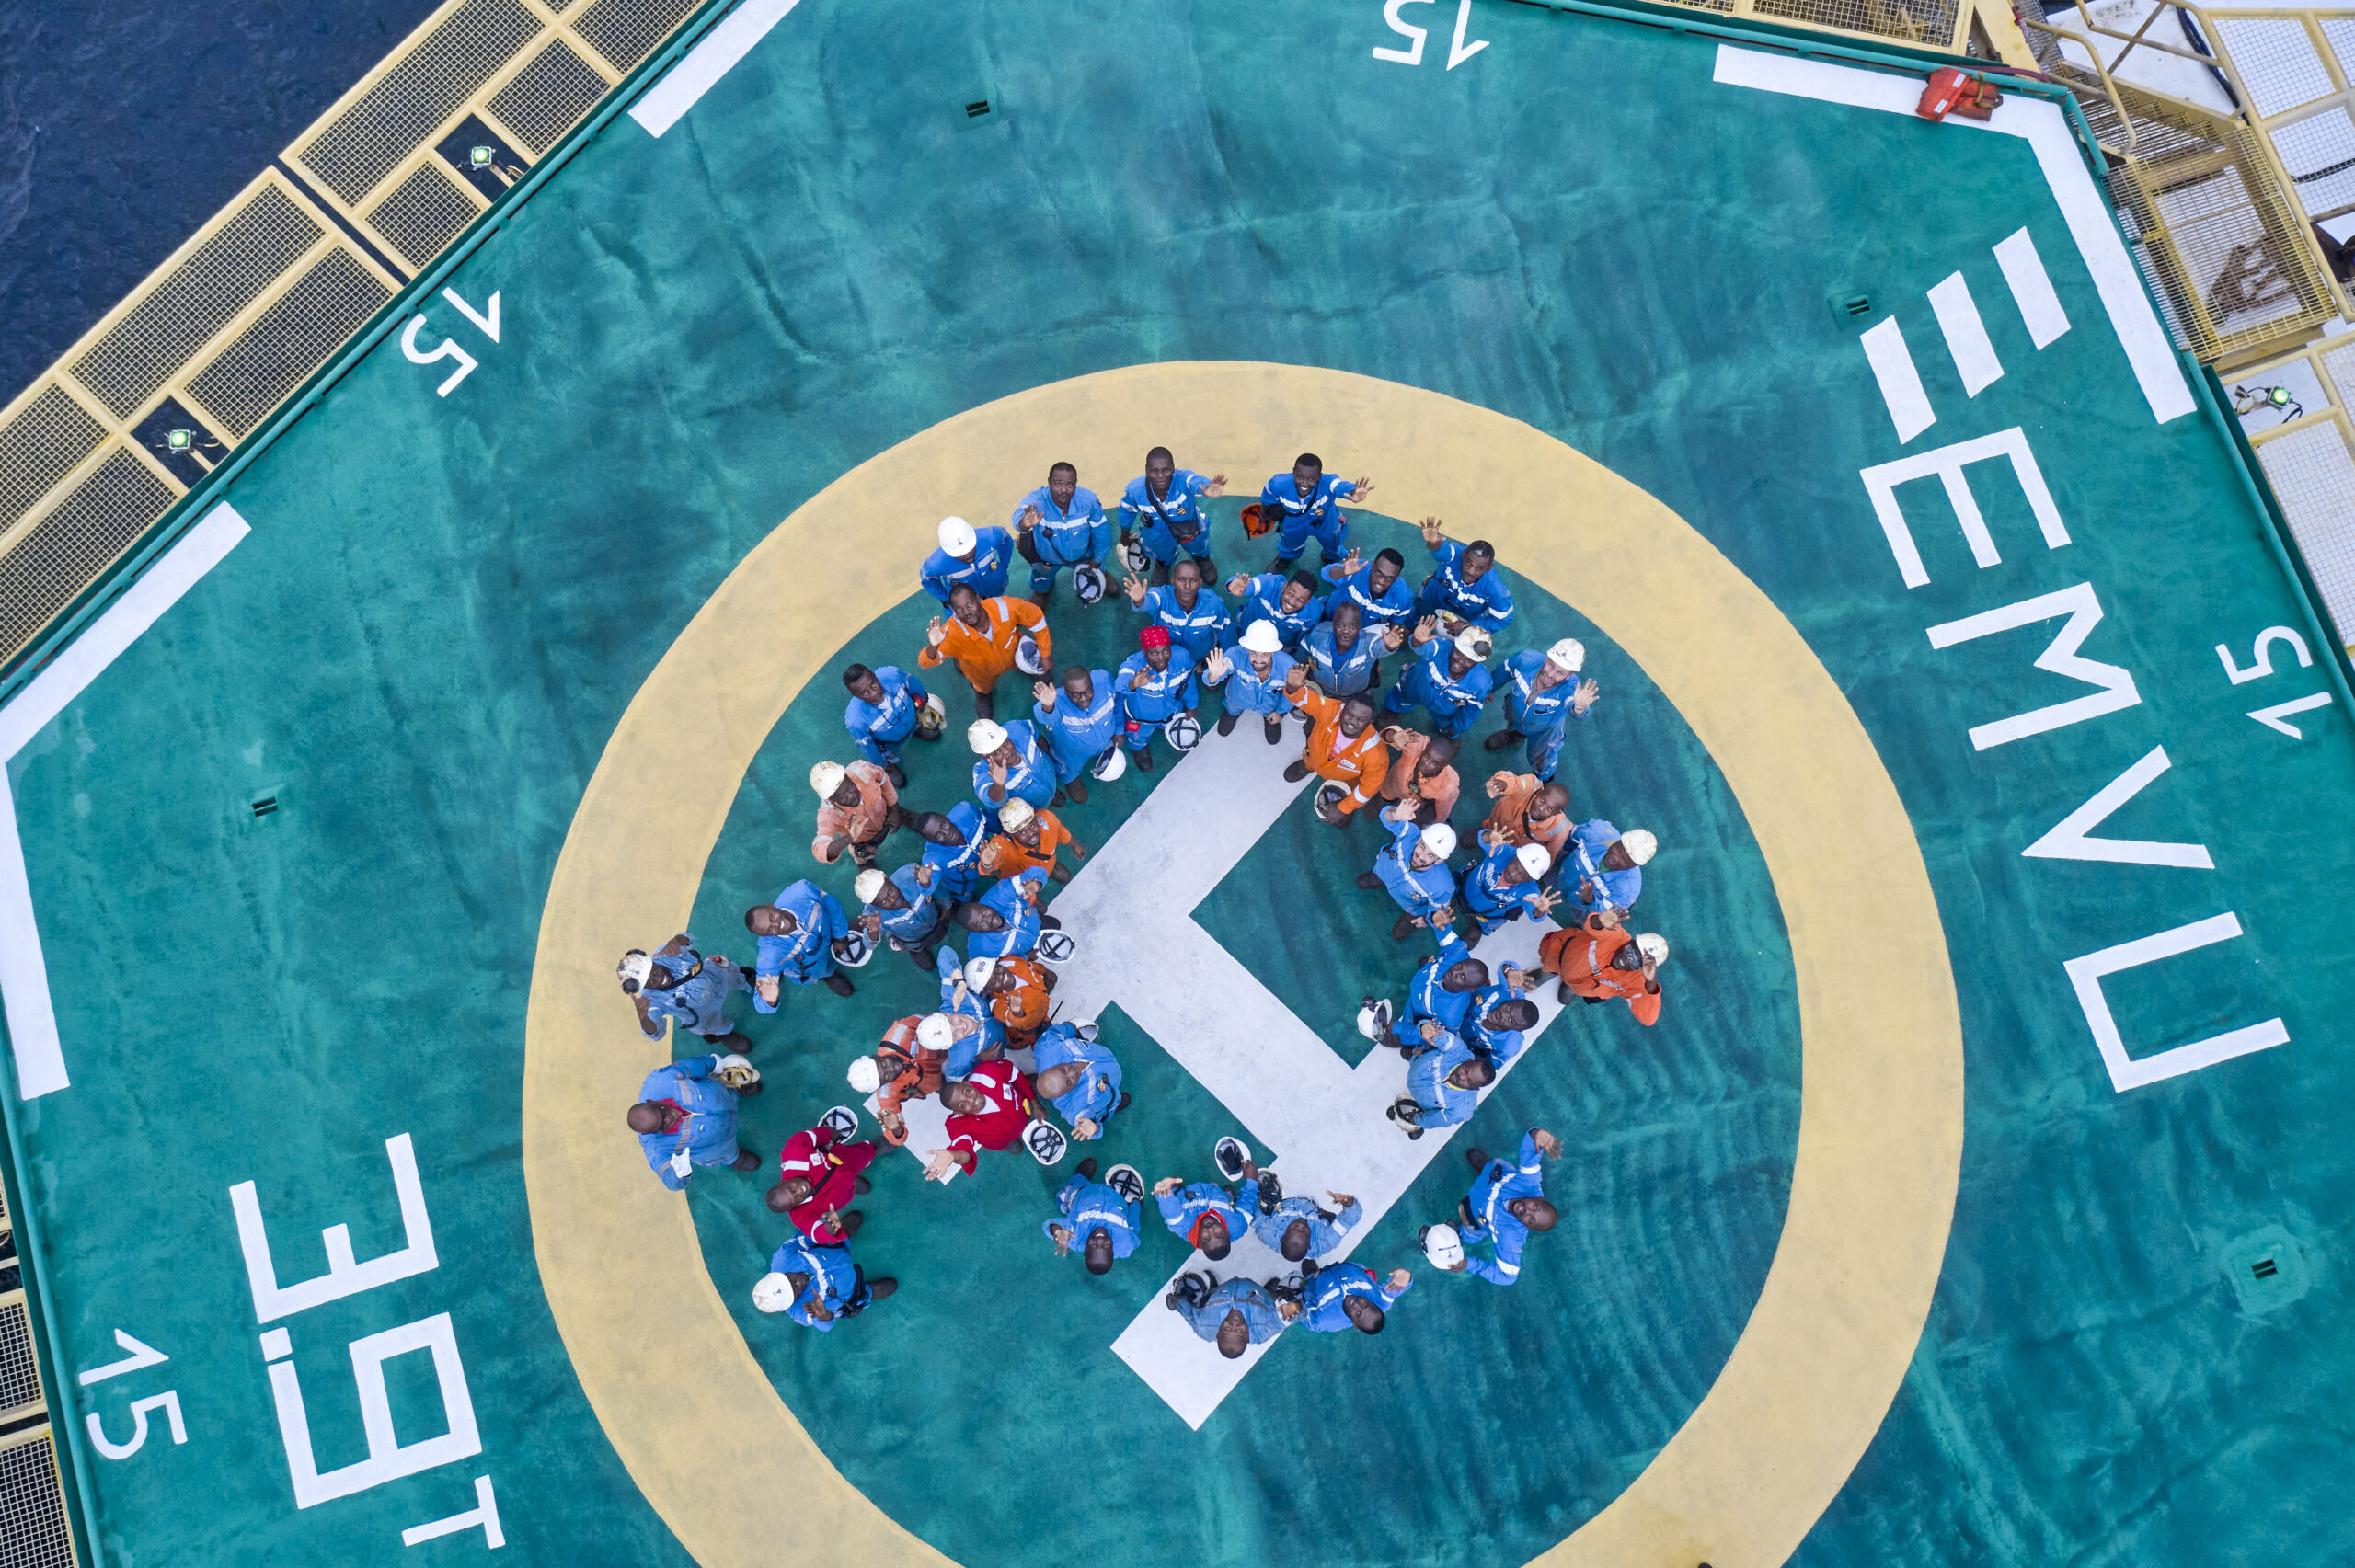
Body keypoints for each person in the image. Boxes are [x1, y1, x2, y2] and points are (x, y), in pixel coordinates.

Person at [1442, 1129, 1564, 1287]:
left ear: (1527, 1227)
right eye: (1535, 1206)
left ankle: (1462, 1234)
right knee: (1492, 1167)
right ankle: (1483, 1166)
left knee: (1469, 1228)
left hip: (1477, 1214)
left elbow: (1507, 1277)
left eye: (1531, 1219)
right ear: (1537, 1198)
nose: (1527, 1211)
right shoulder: (1530, 1182)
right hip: (1493, 1174)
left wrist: (1470, 1264)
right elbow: (1531, 1146)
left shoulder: (1511, 1236)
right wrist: (1536, 1134)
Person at [918, 582, 1051, 721]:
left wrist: (1045, 653)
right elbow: (924, 662)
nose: (966, 613)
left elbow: (1036, 617)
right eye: (959, 609)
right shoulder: (950, 632)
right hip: (981, 673)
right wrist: (933, 646)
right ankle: (983, 694)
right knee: (983, 689)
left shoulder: (1004, 607)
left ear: (978, 598)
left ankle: (1028, 671)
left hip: (1014, 654)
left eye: (969, 604)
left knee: (1046, 677)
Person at [628, 1054, 762, 1188]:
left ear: (651, 1102)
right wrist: (680, 1176)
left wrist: (712, 1063)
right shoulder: (655, 1146)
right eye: (663, 1125)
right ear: (649, 1133)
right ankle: (734, 1158)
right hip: (716, 1146)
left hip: (718, 1094)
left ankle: (736, 1091)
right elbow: (669, 1180)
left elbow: (688, 1066)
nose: (668, 1118)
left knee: (726, 1090)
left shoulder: (659, 1081)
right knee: (726, 1153)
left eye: (663, 1112)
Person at [1283, 670, 1389, 825]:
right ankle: (1307, 766)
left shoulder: (1377, 754)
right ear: (1343, 709)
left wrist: (1344, 808)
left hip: (1345, 781)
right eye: (1350, 715)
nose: (1352, 722)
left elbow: (1368, 789)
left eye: (1361, 720)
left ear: (1370, 722)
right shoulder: (1331, 709)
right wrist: (1292, 687)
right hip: (1314, 757)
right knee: (1312, 760)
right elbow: (1306, 700)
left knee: (1341, 815)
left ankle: (1344, 806)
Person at [1488, 638, 1599, 780]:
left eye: (1561, 673)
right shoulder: (1525, 659)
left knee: (1542, 760)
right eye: (1551, 665)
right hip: (1515, 715)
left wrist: (1580, 707)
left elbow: (1575, 710)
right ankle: (1515, 736)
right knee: (1513, 723)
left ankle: (1543, 780)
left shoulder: (1571, 688)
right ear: (1547, 658)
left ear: (1570, 675)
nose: (1551, 674)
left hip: (1545, 733)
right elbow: (1506, 670)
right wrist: (1491, 688)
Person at [619, 935, 752, 1053]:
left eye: (655, 972)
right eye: (651, 982)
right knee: (712, 1027)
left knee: (732, 975)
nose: (658, 979)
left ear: (653, 962)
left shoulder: (663, 953)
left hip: (716, 976)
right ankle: (724, 1034)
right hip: (703, 1014)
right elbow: (657, 1034)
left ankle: (744, 979)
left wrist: (678, 940)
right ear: (643, 988)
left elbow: (689, 939)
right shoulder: (650, 1001)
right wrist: (644, 1019)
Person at [1120, 447, 1226, 584]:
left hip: (1189, 527)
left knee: (1198, 545)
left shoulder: (1184, 479)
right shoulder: (1135, 490)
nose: (1160, 475)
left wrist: (1208, 487)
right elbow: (1126, 511)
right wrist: (1124, 533)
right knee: (1161, 551)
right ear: (1146, 470)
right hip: (1157, 532)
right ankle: (1164, 564)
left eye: (1165, 470)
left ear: (1173, 468)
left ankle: (1202, 559)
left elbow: (1195, 481)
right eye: (1154, 470)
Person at [1539, 911, 1668, 1024]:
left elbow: (1648, 1019)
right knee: (1541, 974)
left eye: (1635, 962)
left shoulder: (1635, 980)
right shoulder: (1617, 935)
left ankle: (1568, 984)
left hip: (1578, 985)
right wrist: (1599, 920)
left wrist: (1650, 983)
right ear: (1631, 942)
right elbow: (1595, 925)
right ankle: (1552, 974)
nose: (1628, 959)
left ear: (1640, 968)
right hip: (1559, 957)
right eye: (1631, 950)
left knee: (1563, 999)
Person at [1010, 462, 1109, 606]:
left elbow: (1102, 531)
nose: (1064, 490)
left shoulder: (1089, 501)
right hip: (1047, 560)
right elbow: (1019, 513)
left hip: (1083, 557)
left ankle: (1101, 573)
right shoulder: (1037, 501)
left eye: (1070, 484)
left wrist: (1098, 559)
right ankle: (1042, 591)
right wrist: (1023, 524)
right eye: (1058, 484)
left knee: (1098, 567)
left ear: (1076, 484)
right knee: (1042, 577)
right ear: (1049, 482)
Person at [766, 1118, 879, 1245]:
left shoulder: (794, 1153)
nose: (799, 1191)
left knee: (867, 1152)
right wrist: (829, 1229)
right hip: (840, 1192)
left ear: (783, 1181)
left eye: (792, 1189)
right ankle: (853, 1186)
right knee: (849, 1189)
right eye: (797, 1199)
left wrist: (830, 1134)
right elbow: (815, 1233)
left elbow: (809, 1137)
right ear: (794, 1207)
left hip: (843, 1158)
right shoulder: (799, 1216)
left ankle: (876, 1148)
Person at [752, 1233, 895, 1330]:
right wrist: (823, 1315)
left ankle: (845, 1235)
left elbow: (807, 1236)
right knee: (883, 1288)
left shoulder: (783, 1256)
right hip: (848, 1293)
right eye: (795, 1290)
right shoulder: (799, 1312)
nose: (799, 1282)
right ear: (791, 1301)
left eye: (790, 1278)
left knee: (847, 1225)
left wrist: (830, 1232)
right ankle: (869, 1292)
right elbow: (825, 1326)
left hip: (836, 1250)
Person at [923, 1058, 1036, 1179]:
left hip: (1023, 1108)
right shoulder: (957, 1124)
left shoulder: (986, 1072)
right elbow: (964, 1150)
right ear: (958, 1112)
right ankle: (1010, 1142)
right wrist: (954, 1155)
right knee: (1016, 1148)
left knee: (1036, 1085)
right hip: (1006, 1139)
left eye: (967, 1092)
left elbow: (1013, 1073)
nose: (972, 1100)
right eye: (963, 1105)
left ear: (967, 1083)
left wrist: (1034, 1102)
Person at [1383, 621, 1497, 740]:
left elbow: (1471, 710)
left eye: (1469, 659)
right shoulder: (1440, 648)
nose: (1460, 660)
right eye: (1458, 652)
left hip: (1445, 709)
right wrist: (1417, 641)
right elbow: (1423, 647)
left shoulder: (1481, 683)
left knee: (1448, 728)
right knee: (1402, 697)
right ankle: (1393, 709)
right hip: (1416, 686)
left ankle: (1448, 732)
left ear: (1477, 662)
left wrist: (1457, 727)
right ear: (1454, 646)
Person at [1361, 806, 1459, 943]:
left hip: (1412, 907)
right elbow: (1387, 817)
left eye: (1430, 855)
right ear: (1419, 840)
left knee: (1398, 934)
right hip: (1383, 871)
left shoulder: (1442, 886)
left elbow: (1435, 910)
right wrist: (1395, 815)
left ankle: (1410, 918)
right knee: (1363, 882)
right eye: (1422, 846)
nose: (1420, 856)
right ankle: (1378, 878)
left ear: (1439, 860)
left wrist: (1426, 919)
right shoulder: (1411, 834)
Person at [745, 880, 854, 1003]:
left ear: (772, 906)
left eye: (771, 917)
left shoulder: (802, 891)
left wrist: (840, 937)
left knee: (840, 923)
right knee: (813, 969)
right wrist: (771, 1000)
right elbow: (759, 1002)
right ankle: (827, 974)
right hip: (808, 962)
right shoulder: (770, 953)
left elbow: (831, 904)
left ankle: (838, 936)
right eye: (770, 929)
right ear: (766, 936)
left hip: (825, 930)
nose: (777, 924)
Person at [1258, 453, 1370, 567]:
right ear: (1293, 472)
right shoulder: (1277, 484)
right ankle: (1286, 558)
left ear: (1319, 477)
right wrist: (1265, 513)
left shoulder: (1328, 482)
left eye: (1311, 479)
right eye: (1300, 477)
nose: (1304, 484)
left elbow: (1339, 485)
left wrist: (1352, 491)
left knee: (1333, 544)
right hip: (1293, 523)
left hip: (1325, 522)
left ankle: (1330, 558)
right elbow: (1268, 497)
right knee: (1290, 543)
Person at [1030, 666, 1121, 804]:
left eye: (1088, 691)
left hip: (1105, 740)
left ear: (1092, 683)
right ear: (1065, 692)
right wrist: (1048, 705)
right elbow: (1044, 717)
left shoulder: (1104, 680)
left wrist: (1119, 730)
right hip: (1071, 754)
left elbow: (1118, 701)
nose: (1083, 698)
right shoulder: (1057, 701)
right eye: (1076, 695)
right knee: (1068, 769)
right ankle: (1070, 779)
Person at [1113, 624, 1197, 773]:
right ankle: (1139, 747)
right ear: (1144, 651)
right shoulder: (1133, 666)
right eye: (1153, 653)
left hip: (1172, 712)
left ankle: (1162, 727)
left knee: (1167, 725)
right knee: (1138, 737)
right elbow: (1119, 686)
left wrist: (1192, 705)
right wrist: (1133, 684)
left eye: (1165, 650)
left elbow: (1189, 682)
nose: (1161, 659)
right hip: (1140, 720)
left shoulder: (1182, 657)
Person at [850, 1016, 946, 1146]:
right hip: (937, 1083)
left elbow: (920, 1018)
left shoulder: (898, 1034)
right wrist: (896, 1128)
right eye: (886, 1077)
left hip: (944, 1045)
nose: (891, 1069)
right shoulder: (886, 1096)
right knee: (950, 1097)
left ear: (876, 1056)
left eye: (883, 1064)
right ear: (882, 1084)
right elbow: (897, 1139)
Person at [1389, 1021, 1493, 1138]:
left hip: (1422, 1102)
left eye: (1469, 1081)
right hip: (1417, 1062)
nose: (1462, 1076)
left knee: (1423, 1120)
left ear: (1475, 1088)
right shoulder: (1459, 1050)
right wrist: (1428, 1029)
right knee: (1407, 1051)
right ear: (1469, 1060)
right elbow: (1441, 1036)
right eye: (1466, 1070)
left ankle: (1416, 1127)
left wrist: (1418, 1120)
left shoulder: (1462, 1109)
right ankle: (1413, 1055)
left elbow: (1436, 1120)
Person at [1042, 1157, 1143, 1275]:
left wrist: (1057, 1231)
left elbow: (1048, 1226)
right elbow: (1133, 1227)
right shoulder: (1125, 1244)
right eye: (1106, 1247)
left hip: (1083, 1191)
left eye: (1094, 1246)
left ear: (1085, 1250)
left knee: (1072, 1188)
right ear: (1113, 1252)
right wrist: (1135, 1205)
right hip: (1117, 1199)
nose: (1100, 1240)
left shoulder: (1075, 1237)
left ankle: (1080, 1176)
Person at [1201, 620, 1297, 744]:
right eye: (1253, 653)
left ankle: (1270, 719)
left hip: (1270, 706)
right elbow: (1211, 679)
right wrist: (1213, 676)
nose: (1258, 660)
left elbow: (1292, 694)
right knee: (1232, 707)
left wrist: (1280, 712)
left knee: (1272, 719)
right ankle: (1232, 713)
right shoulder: (1235, 655)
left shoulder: (1289, 667)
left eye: (1264, 654)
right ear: (1246, 649)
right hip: (1237, 699)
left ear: (1273, 652)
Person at [1123, 557, 1232, 666]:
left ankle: (1199, 663)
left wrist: (1226, 661)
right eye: (1181, 579)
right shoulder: (1162, 596)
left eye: (1193, 580)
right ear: (1173, 581)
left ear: (1200, 582)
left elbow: (1226, 632)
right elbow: (1150, 601)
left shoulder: (1213, 603)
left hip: (1201, 652)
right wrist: (1139, 600)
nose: (1187, 586)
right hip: (1169, 655)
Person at [1413, 518, 1514, 633]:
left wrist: (1469, 626)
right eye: (1468, 563)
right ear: (1464, 554)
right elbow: (1442, 551)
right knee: (1410, 631)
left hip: (1463, 620)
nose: (1471, 571)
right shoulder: (1456, 554)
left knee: (1458, 645)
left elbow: (1502, 620)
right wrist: (1433, 543)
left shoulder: (1495, 589)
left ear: (1488, 568)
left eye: (1479, 568)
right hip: (1430, 600)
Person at [1032, 1021, 1128, 1139]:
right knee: (1111, 1103)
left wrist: (1071, 1028)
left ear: (1053, 1066)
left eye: (1063, 1069)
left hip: (1106, 1059)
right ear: (1064, 1094)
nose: (1072, 1073)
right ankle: (1114, 1106)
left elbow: (1057, 1032)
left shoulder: (1047, 1046)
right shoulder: (1075, 1107)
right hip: (1110, 1093)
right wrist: (1094, 1128)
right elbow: (1085, 1124)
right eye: (1068, 1082)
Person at [840, 662, 933, 784]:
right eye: (865, 693)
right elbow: (867, 746)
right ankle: (890, 767)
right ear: (855, 695)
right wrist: (880, 764)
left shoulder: (893, 675)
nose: (874, 694)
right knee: (888, 758)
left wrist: (921, 696)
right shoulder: (856, 720)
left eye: (873, 685)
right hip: (888, 742)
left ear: (875, 676)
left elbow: (912, 683)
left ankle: (915, 730)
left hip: (911, 718)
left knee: (921, 726)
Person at [1460, 840, 1561, 945]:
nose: (1513, 874)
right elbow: (1484, 839)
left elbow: (1535, 914)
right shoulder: (1504, 851)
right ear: (1514, 856)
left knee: (1473, 935)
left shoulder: (1530, 890)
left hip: (1486, 917)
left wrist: (1539, 910)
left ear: (1530, 879)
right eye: (1515, 866)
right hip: (1464, 887)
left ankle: (1480, 930)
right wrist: (1489, 837)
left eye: (1522, 876)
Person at [808, 759, 902, 868]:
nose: (852, 794)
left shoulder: (861, 770)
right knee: (864, 861)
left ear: (847, 776)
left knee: (919, 822)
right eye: (843, 796)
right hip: (864, 842)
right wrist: (850, 837)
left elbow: (883, 778)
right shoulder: (828, 814)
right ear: (830, 799)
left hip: (887, 815)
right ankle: (864, 863)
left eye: (850, 786)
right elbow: (819, 850)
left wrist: (894, 808)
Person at [1167, 1274, 1293, 1356]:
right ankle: (1269, 1292)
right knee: (1269, 1300)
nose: (1235, 1324)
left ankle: (1213, 1289)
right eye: (1239, 1331)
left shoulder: (1204, 1328)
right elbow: (1291, 1318)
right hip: (1257, 1293)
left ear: (1218, 1333)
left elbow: (1190, 1315)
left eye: (1227, 1329)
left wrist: (1179, 1302)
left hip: (1222, 1291)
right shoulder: (1264, 1330)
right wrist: (1295, 1307)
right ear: (1247, 1336)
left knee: (1209, 1296)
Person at [854, 864, 948, 972]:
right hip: (910, 938)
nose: (892, 900)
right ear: (875, 905)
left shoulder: (911, 874)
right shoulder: (872, 915)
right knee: (911, 945)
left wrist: (946, 905)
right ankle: (916, 951)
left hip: (933, 915)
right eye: (884, 902)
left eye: (890, 892)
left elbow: (937, 886)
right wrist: (873, 932)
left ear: (889, 879)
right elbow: (869, 945)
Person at [1302, 599, 1400, 699]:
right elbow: (1305, 646)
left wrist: (1388, 646)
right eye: (1341, 625)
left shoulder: (1367, 642)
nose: (1346, 631)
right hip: (1322, 688)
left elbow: (1378, 646)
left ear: (1359, 626)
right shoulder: (1318, 634)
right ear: (1334, 623)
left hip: (1355, 692)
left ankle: (1375, 673)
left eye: (1352, 627)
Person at [1152, 1170, 1261, 1260]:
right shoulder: (1237, 1227)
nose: (1210, 1230)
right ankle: (1222, 1193)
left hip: (1184, 1194)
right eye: (1218, 1234)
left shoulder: (1183, 1226)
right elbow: (1246, 1205)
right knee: (1223, 1193)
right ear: (1227, 1233)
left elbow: (1171, 1212)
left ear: (1199, 1240)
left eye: (1206, 1238)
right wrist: (1251, 1180)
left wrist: (1164, 1192)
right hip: (1214, 1195)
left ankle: (1176, 1189)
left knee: (1173, 1190)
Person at [979, 795, 1085, 885]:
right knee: (1039, 906)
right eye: (1022, 832)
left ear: (1035, 818)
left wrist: (1075, 844)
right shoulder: (1001, 845)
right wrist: (987, 864)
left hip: (1047, 863)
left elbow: (1060, 831)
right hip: (1022, 883)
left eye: (1032, 826)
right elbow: (984, 868)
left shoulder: (1047, 819)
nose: (1031, 834)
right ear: (1010, 834)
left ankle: (1049, 870)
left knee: (1066, 877)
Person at [967, 716, 1060, 817]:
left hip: (1050, 778)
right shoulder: (982, 774)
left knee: (1050, 793)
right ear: (985, 756)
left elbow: (1035, 735)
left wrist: (1047, 751)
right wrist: (999, 784)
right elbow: (993, 802)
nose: (1007, 751)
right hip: (1033, 807)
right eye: (997, 752)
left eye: (1005, 743)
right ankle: (1045, 802)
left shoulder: (1017, 728)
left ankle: (1051, 794)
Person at [1561, 821, 1656, 918]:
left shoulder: (1627, 892)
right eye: (1618, 849)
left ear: (1634, 866)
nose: (1615, 858)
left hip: (1579, 911)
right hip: (1557, 874)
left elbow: (1604, 919)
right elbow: (1563, 837)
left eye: (1625, 860)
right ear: (1619, 841)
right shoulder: (1595, 831)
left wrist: (1591, 900)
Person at [1402, 930, 1488, 1036]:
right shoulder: (1459, 953)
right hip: (1422, 981)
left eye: (1462, 976)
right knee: (1427, 968)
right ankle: (1427, 968)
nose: (1455, 972)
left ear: (1469, 990)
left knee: (1407, 1026)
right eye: (1459, 966)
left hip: (1417, 1006)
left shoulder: (1451, 1015)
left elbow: (1444, 1035)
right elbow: (1444, 929)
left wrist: (1422, 1028)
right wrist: (1436, 918)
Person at [966, 952, 1056, 1050]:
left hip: (1042, 1010)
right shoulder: (997, 1005)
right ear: (988, 991)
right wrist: (1018, 1012)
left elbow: (1029, 965)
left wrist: (1045, 971)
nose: (1000, 976)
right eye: (993, 981)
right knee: (1043, 1047)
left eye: (996, 969)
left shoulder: (1010, 961)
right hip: (1026, 1033)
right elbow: (1015, 1020)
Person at [920, 515, 1016, 606]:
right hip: (964, 604)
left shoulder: (990, 536)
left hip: (995, 588)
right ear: (948, 551)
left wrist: (1004, 565)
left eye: (970, 548)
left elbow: (1006, 540)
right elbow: (927, 579)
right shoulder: (937, 563)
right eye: (960, 553)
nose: (968, 555)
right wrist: (946, 598)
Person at [1482, 772, 1573, 867]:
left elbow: (1549, 855)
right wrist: (1504, 784)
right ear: (1540, 792)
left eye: (1550, 809)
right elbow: (1517, 783)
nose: (1541, 808)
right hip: (1496, 822)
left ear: (1556, 813)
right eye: (1542, 800)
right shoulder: (1533, 785)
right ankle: (1484, 830)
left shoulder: (1561, 828)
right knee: (1478, 837)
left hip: (1516, 851)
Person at [1224, 568, 1327, 650]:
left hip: (1280, 643)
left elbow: (1302, 635)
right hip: (1247, 627)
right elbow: (1251, 585)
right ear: (1285, 586)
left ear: (1308, 601)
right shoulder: (1269, 584)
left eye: (1300, 600)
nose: (1291, 602)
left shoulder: (1314, 612)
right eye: (1290, 594)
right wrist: (1232, 585)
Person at [1376, 727, 1461, 826]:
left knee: (1417, 817)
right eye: (1426, 756)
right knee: (1383, 799)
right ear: (1425, 748)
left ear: (1444, 765)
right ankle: (1383, 801)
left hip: (1416, 803)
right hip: (1392, 786)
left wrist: (1437, 824)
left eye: (1434, 763)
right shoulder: (1417, 743)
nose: (1426, 763)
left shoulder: (1448, 786)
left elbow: (1443, 811)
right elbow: (1388, 735)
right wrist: (1393, 736)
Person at [950, 876, 1047, 961]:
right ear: (975, 932)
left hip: (1034, 924)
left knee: (1053, 921)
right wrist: (1024, 957)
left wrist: (1037, 884)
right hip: (1026, 948)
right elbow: (991, 970)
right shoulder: (982, 948)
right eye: (980, 924)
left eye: (983, 912)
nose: (988, 919)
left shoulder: (998, 896)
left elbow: (1037, 872)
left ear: (983, 905)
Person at [1300, 1262, 1412, 1334]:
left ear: (1355, 1324)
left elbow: (1309, 1320)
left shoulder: (1327, 1320)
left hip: (1316, 1286)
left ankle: (1310, 1277)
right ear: (1373, 1303)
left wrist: (1299, 1304)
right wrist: (1407, 1277)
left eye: (1358, 1313)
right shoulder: (1380, 1300)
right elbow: (1398, 1287)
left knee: (1306, 1291)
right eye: (1365, 1305)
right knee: (1369, 1274)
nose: (1356, 1304)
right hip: (1344, 1269)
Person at [1319, 545, 1416, 630]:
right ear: (1372, 566)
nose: (1381, 581)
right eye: (1379, 573)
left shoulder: (1403, 595)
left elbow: (1398, 617)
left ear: (1397, 577)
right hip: (1331, 617)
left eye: (1390, 578)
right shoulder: (1357, 570)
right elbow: (1325, 573)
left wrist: (1392, 634)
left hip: (1361, 633)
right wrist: (1343, 572)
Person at [1252, 1191, 1361, 1264]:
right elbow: (1350, 1219)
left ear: (1282, 1236)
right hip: (1313, 1212)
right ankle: (1310, 1204)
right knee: (1331, 1218)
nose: (1301, 1224)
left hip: (1286, 1206)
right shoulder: (1326, 1240)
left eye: (1294, 1228)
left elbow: (1254, 1217)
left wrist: (1256, 1198)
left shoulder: (1270, 1233)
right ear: (1309, 1244)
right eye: (1305, 1232)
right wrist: (1348, 1203)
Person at [912, 804, 989, 904]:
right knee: (965, 896)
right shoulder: (934, 856)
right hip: (963, 882)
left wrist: (1002, 832)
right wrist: (925, 883)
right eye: (938, 835)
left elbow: (990, 821)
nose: (946, 832)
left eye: (943, 825)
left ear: (945, 817)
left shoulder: (966, 811)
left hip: (989, 857)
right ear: (931, 841)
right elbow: (928, 888)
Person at [1465, 993, 1541, 1067]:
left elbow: (1489, 1067)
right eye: (1509, 1007)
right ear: (1512, 1000)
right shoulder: (1508, 994)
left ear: (1517, 1030)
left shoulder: (1507, 1047)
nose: (1503, 1014)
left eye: (1511, 1021)